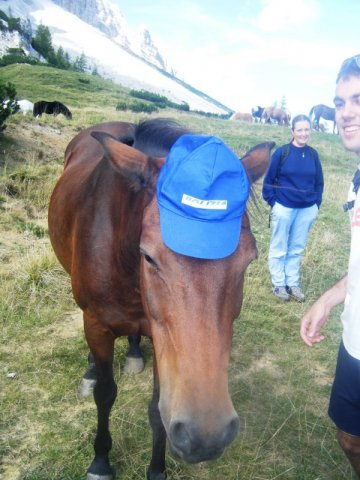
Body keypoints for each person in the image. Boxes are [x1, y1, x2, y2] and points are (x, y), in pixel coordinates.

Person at [300, 54, 360, 477]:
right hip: (355, 341)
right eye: (339, 102)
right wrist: (328, 299)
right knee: (349, 437)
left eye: (358, 99)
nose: (346, 112)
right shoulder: (358, 177)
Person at [262, 114, 324, 302]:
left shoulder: (313, 154)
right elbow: (268, 182)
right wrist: (275, 203)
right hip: (284, 208)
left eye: (307, 129)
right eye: (300, 130)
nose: (303, 133)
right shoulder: (282, 153)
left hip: (306, 209)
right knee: (279, 246)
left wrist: (316, 204)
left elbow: (319, 182)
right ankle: (279, 284)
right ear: (293, 131)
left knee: (296, 247)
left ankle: (293, 283)